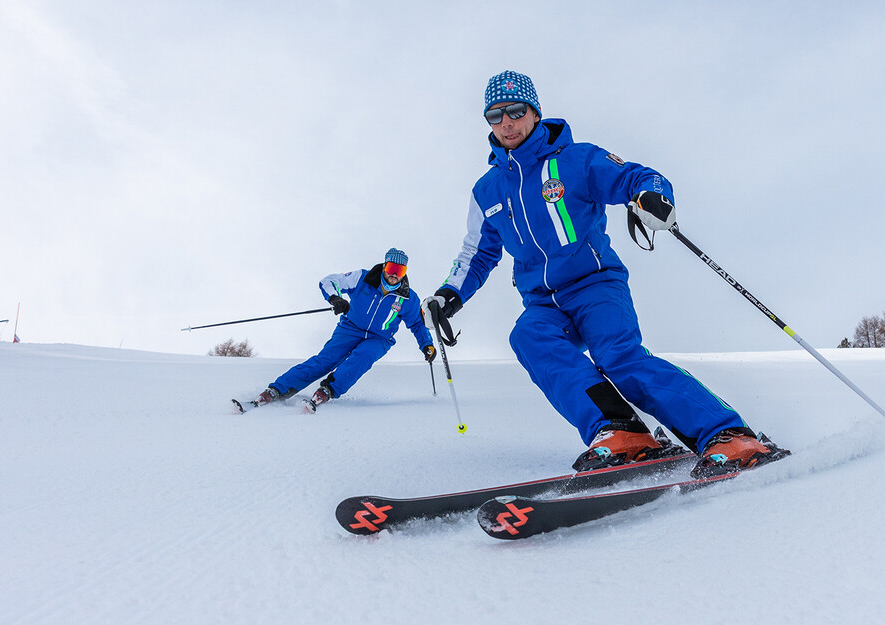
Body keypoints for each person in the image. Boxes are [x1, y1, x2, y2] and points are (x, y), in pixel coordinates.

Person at [422, 71, 787, 477]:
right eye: (495, 115)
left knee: (619, 357)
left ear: (534, 112)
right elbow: (477, 251)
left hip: (596, 284)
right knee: (528, 337)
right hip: (544, 301)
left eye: (515, 111)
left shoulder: (575, 160)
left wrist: (651, 195)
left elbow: (634, 176)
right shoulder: (487, 189)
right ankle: (621, 431)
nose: (506, 122)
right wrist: (449, 293)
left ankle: (729, 435)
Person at [248, 248, 435, 412]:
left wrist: (427, 344)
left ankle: (328, 389)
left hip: (380, 338)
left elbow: (418, 324)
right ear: (385, 266)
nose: (394, 274)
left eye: (400, 270)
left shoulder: (409, 298)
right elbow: (328, 281)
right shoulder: (363, 278)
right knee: (325, 361)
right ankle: (277, 390)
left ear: (404, 272)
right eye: (391, 269)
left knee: (364, 356)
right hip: (350, 328)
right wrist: (335, 299)